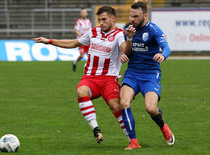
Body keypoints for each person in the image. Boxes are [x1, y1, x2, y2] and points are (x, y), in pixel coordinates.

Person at [33, 6, 129, 144]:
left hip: (109, 79)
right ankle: (96, 129)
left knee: (115, 106)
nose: (101, 23)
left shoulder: (119, 34)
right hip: (90, 78)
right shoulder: (93, 32)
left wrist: (125, 52)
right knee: (81, 90)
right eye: (99, 20)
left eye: (104, 19)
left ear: (113, 19)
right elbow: (73, 42)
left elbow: (124, 47)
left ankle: (131, 139)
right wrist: (49, 41)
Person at [119, 1, 175, 150]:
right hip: (132, 73)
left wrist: (163, 55)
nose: (132, 19)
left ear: (145, 15)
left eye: (136, 16)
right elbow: (128, 52)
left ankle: (163, 127)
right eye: (131, 16)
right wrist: (129, 40)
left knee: (151, 109)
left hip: (150, 74)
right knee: (123, 103)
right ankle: (134, 142)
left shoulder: (154, 30)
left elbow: (166, 47)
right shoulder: (129, 29)